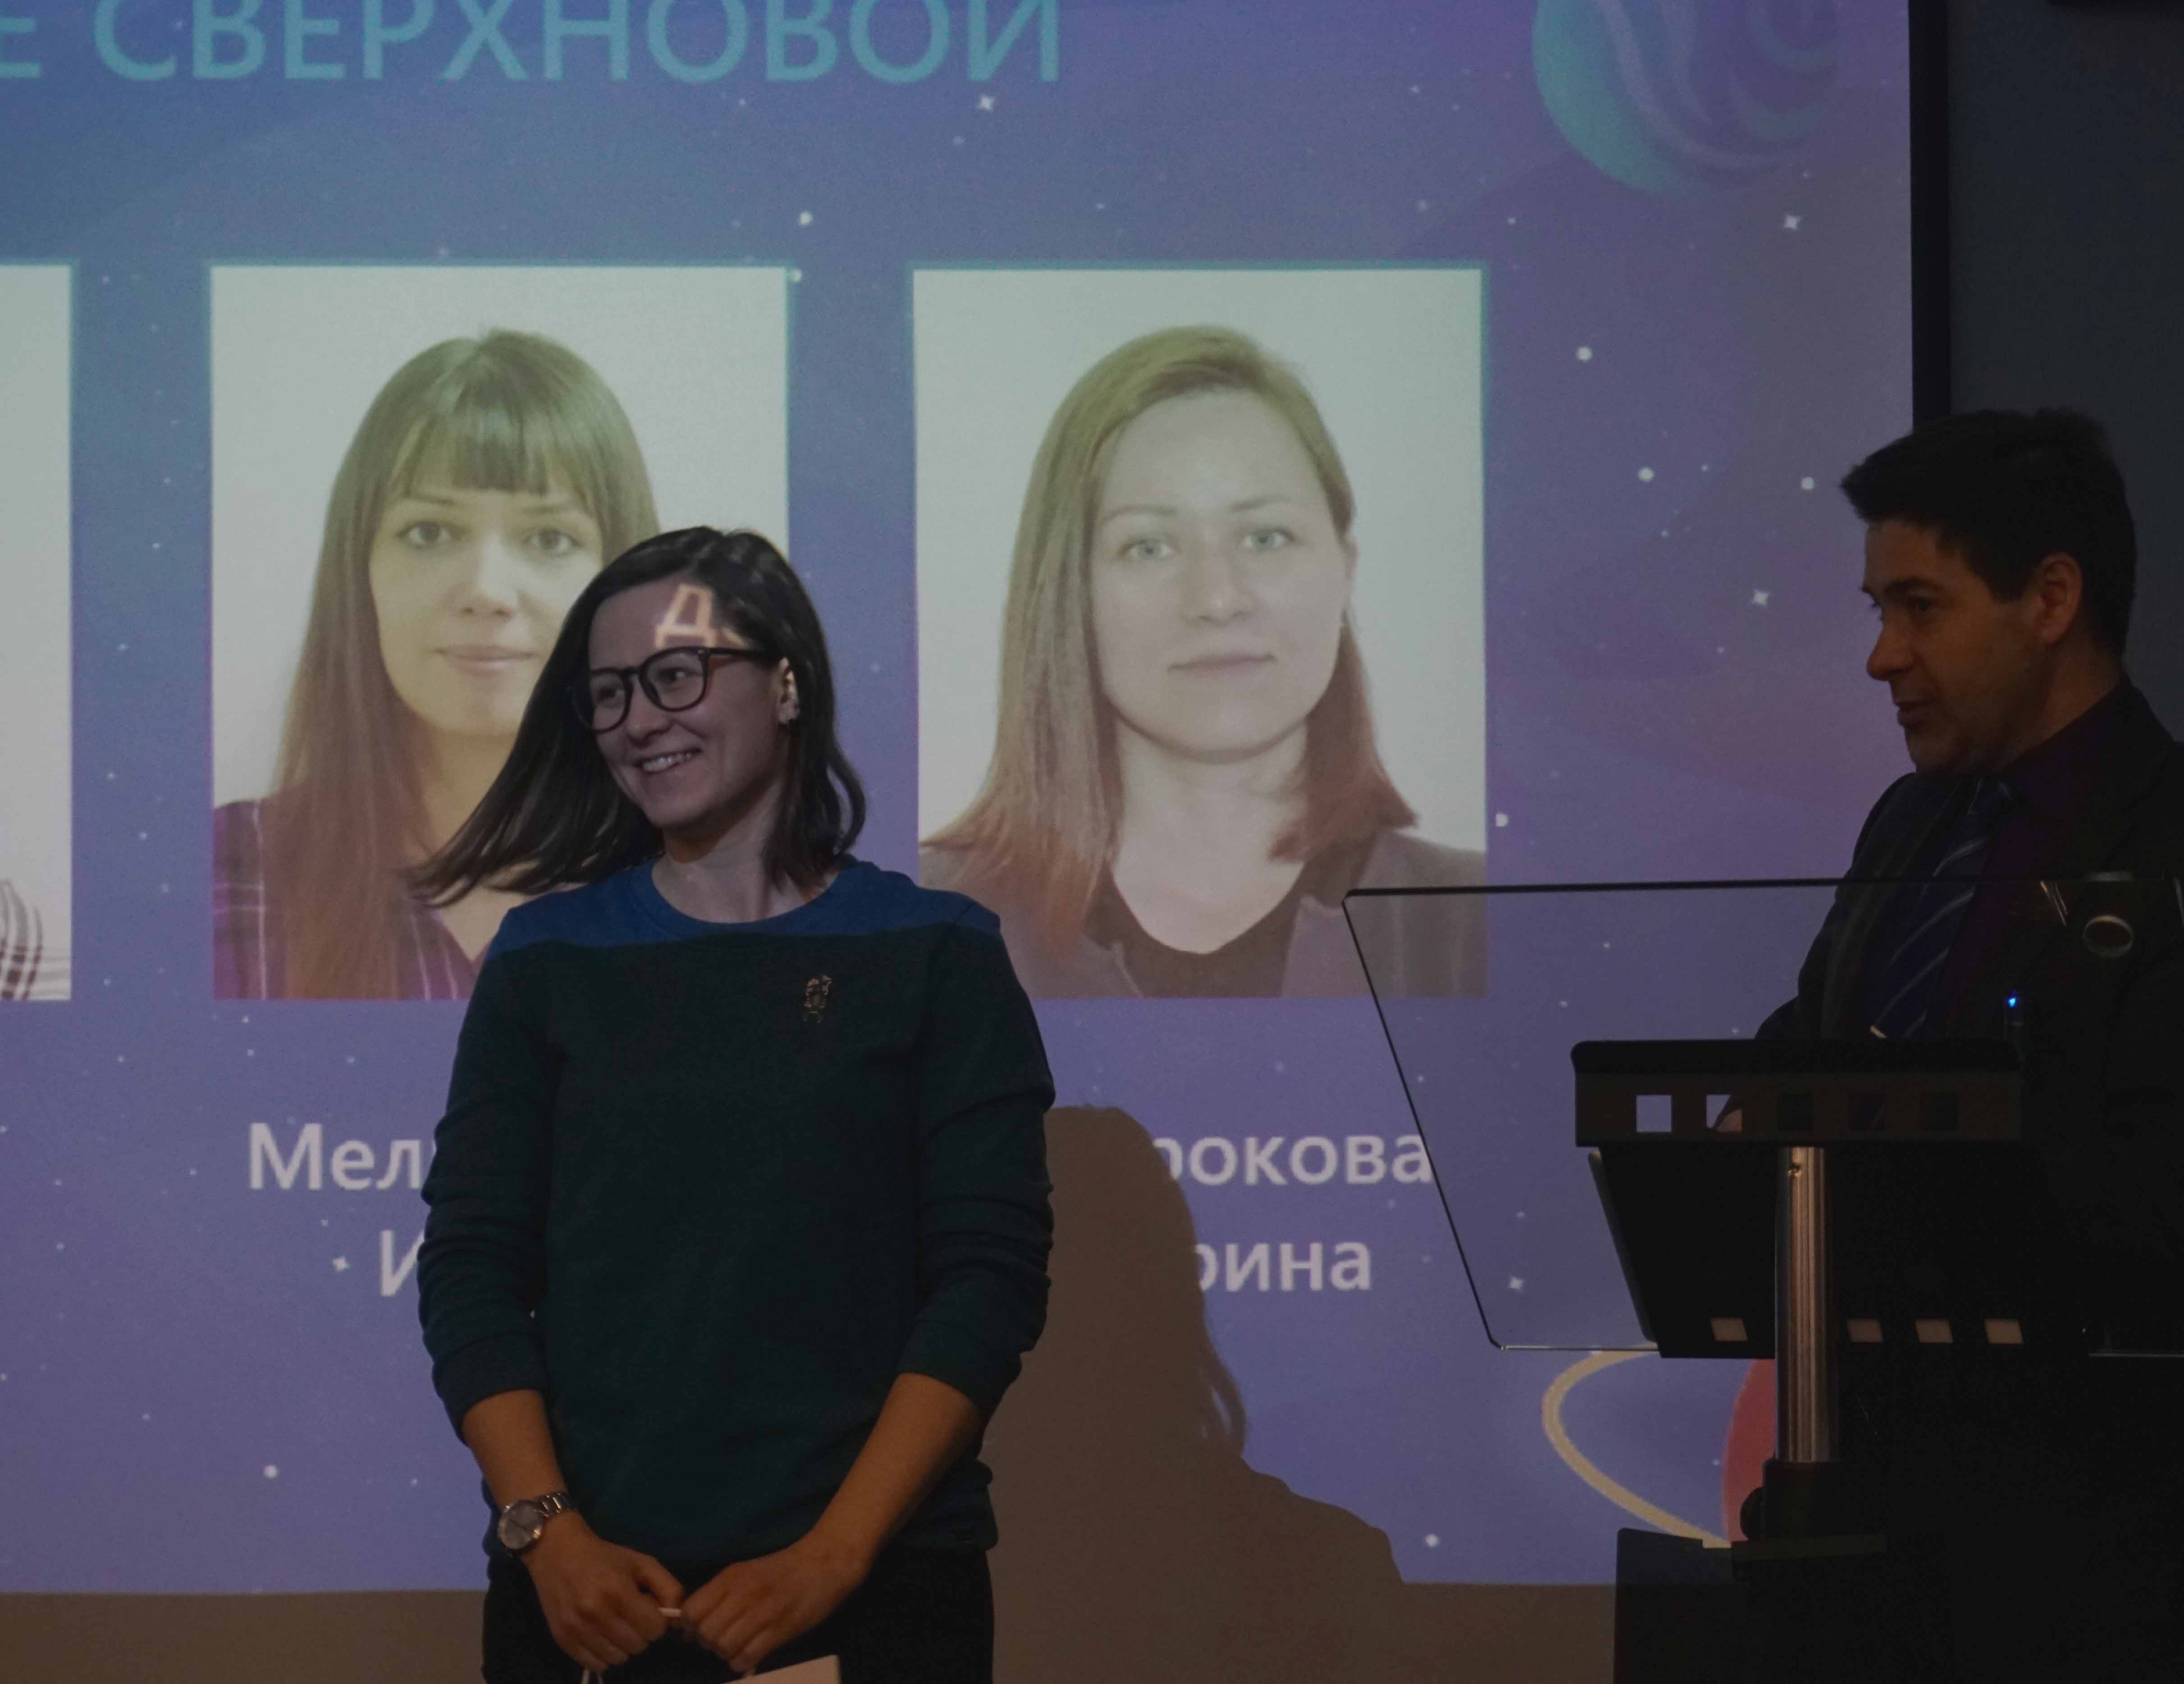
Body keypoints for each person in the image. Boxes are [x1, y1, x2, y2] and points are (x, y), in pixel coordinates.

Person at [1734, 410, 2184, 1681]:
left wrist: (1891, 1137)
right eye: (1878, 609)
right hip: (1864, 1547)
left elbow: (2177, 1199)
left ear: (2050, 599)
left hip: (2102, 1573)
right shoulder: (1905, 824)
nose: (1881, 656)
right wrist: (1736, 1111)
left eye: (1919, 607)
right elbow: (1812, 1047)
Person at [413, 527, 1054, 1683]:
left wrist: (831, 1556)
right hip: (596, 1597)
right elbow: (471, 1264)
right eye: (610, 692)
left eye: (676, 674)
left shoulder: (935, 952)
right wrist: (549, 1535)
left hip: (875, 1590)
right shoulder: (547, 958)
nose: (639, 719)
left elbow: (986, 1282)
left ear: (788, 682)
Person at [921, 325, 1481, 998]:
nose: (1218, 599)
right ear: (1071, 592)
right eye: (1149, 547)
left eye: (1266, 537)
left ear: (1346, 570)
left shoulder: (1481, 919)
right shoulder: (916, 925)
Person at [214, 329, 660, 1000]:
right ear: (359, 575)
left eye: (550, 538)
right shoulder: (221, 878)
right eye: (430, 533)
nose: (486, 590)